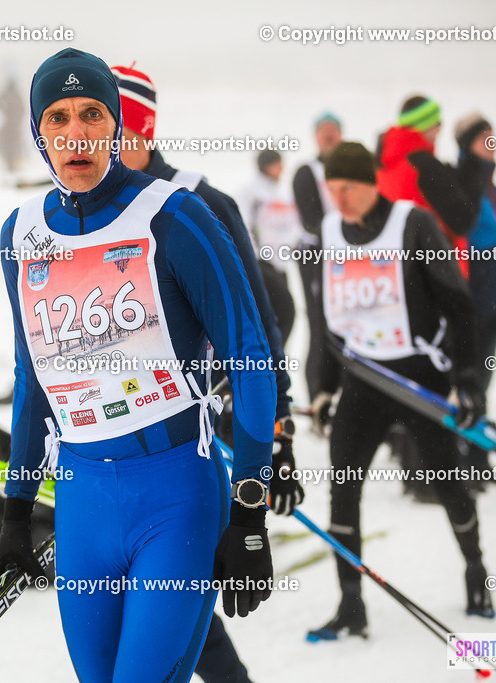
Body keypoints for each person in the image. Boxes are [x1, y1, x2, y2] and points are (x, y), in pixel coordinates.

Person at [0, 49, 278, 682]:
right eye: (58, 117)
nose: (76, 133)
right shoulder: (21, 233)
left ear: (117, 125)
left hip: (175, 499)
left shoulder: (174, 216)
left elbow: (250, 357)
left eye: (92, 113)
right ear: (38, 132)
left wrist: (250, 511)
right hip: (82, 502)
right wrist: (15, 513)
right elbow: (32, 379)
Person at [112, 62, 305, 683]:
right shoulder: (84, 209)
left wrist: (278, 434)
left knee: (178, 596)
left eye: (109, 128)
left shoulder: (199, 201)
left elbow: (258, 328)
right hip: (111, 446)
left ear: (139, 130)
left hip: (192, 433)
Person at [308, 142, 494, 641]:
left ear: (372, 183)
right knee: (343, 490)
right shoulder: (329, 232)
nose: (340, 198)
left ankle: (475, 569)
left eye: (350, 187)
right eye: (333, 188)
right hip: (362, 381)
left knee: (447, 482)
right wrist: (323, 389)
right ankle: (351, 602)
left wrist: (467, 381)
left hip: (418, 380)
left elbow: (458, 305)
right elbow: (325, 323)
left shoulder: (413, 224)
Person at [451, 113, 496, 483]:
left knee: (482, 383)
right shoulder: (467, 184)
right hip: (472, 304)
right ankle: (461, 463)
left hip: (494, 305)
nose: (493, 146)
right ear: (467, 145)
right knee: (469, 384)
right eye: (484, 139)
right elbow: (465, 242)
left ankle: (477, 460)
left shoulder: (493, 187)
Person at [376, 95, 486, 278]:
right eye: (438, 123)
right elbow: (462, 220)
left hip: (396, 269)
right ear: (425, 125)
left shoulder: (383, 166)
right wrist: (473, 168)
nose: (439, 130)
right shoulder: (425, 165)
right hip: (435, 270)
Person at [293, 112, 342, 401]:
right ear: (316, 137)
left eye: (333, 129)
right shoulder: (307, 171)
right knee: (319, 326)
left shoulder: (348, 170)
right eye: (323, 130)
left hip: (345, 257)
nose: (328, 135)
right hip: (315, 257)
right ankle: (317, 393)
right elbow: (311, 219)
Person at [236, 150, 299, 344]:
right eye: (277, 164)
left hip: (281, 266)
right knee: (265, 319)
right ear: (266, 165)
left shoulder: (284, 193)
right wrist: (254, 257)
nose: (281, 168)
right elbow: (242, 226)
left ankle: (279, 356)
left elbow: (293, 226)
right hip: (261, 265)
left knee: (284, 317)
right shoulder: (250, 191)